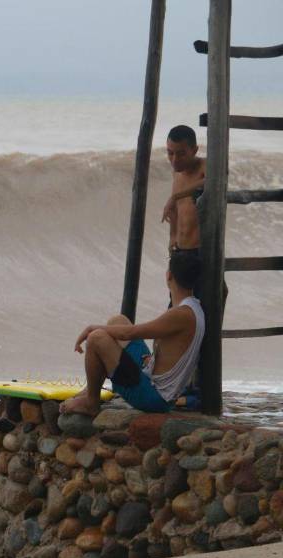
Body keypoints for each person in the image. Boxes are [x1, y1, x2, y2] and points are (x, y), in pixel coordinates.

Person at [60, 251, 204, 416]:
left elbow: (131, 332)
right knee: (118, 320)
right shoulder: (192, 306)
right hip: (151, 374)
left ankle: (91, 403)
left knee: (96, 338)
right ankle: (91, 389)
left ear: (169, 275)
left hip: (154, 397)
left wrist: (90, 328)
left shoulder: (181, 314)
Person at [162, 125, 205, 255]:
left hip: (199, 251)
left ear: (194, 150)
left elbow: (211, 182)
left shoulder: (204, 166)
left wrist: (175, 196)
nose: (174, 160)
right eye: (170, 153)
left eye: (181, 154)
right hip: (179, 249)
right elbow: (175, 209)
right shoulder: (176, 174)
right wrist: (172, 236)